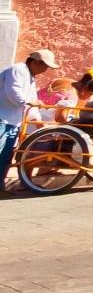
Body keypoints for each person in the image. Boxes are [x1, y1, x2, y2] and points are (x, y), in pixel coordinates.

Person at [1, 48, 59, 189]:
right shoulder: (18, 70)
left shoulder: (30, 77)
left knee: (5, 157)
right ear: (36, 62)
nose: (46, 70)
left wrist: (40, 125)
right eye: (45, 66)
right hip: (2, 118)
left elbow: (32, 104)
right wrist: (31, 102)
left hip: (14, 122)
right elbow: (14, 94)